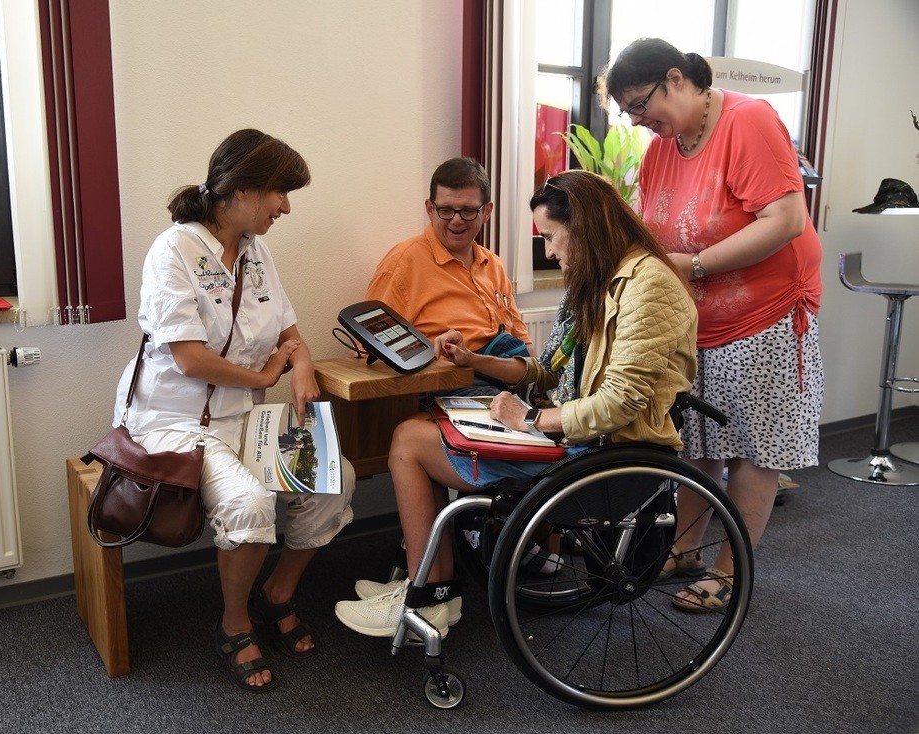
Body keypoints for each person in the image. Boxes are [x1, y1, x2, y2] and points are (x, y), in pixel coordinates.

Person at [334, 169, 697, 636]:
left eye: (551, 237)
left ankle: (430, 595)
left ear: (584, 227)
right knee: (423, 430)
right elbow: (545, 370)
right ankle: (430, 589)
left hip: (599, 450)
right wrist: (475, 360)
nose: (549, 251)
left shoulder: (650, 285)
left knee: (409, 441)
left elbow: (619, 404)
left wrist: (530, 418)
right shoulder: (594, 281)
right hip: (573, 436)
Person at [113, 129, 354, 691]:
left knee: (334, 478)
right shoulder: (174, 250)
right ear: (244, 189)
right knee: (249, 502)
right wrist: (267, 376)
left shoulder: (256, 251)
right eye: (280, 192)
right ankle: (234, 623)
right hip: (174, 422)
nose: (286, 207)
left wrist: (300, 366)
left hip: (245, 419)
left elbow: (290, 333)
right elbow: (190, 359)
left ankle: (277, 594)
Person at [601, 38, 824, 613]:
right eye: (627, 111)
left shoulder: (748, 121)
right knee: (698, 442)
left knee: (753, 449)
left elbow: (786, 219)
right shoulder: (663, 147)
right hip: (698, 321)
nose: (637, 120)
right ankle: (685, 551)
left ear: (676, 78)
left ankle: (729, 571)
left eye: (640, 104)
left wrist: (695, 265)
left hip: (763, 314)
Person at [365, 157, 532, 392]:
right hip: (447, 386)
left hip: (508, 378)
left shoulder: (493, 264)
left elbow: (524, 344)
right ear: (430, 209)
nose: (456, 220)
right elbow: (367, 353)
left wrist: (541, 386)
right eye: (446, 210)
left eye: (468, 211)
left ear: (486, 212)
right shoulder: (403, 263)